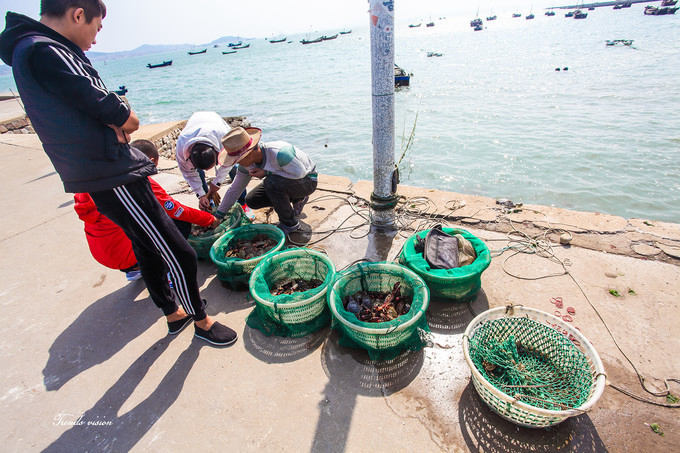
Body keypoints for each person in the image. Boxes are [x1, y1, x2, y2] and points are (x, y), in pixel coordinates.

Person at [0, 1, 236, 345]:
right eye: (97, 28)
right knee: (179, 251)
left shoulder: (26, 51)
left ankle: (173, 314)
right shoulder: (47, 50)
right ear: (78, 13)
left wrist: (116, 125)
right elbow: (121, 115)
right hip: (112, 173)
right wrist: (122, 119)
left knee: (147, 246)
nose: (96, 39)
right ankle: (201, 321)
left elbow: (94, 115)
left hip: (93, 174)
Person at [73, 139, 220, 283]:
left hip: (103, 255)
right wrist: (209, 219)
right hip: (128, 254)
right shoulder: (136, 181)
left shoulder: (98, 182)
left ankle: (134, 270)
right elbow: (175, 211)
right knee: (179, 224)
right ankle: (169, 271)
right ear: (149, 160)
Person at [215, 126, 317, 234]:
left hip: (307, 181)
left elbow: (299, 173)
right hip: (286, 181)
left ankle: (290, 224)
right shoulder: (246, 165)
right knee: (252, 200)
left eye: (239, 160)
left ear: (250, 152)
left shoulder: (280, 153)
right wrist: (219, 215)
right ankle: (297, 199)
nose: (238, 163)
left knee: (271, 183)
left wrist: (267, 172)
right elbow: (235, 189)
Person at [175, 111, 253, 219]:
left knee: (235, 170)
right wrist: (201, 194)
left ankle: (242, 202)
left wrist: (215, 185)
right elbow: (189, 174)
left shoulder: (224, 136)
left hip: (214, 123)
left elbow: (229, 162)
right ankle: (208, 203)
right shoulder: (181, 149)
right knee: (199, 178)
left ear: (217, 154)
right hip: (196, 123)